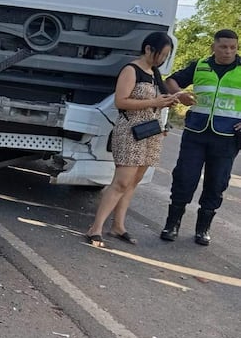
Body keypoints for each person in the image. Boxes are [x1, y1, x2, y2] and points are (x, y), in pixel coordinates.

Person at [86, 32, 178, 246]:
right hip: (131, 130)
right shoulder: (131, 70)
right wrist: (153, 101)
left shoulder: (155, 73)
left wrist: (171, 100)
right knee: (121, 181)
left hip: (151, 132)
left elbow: (157, 101)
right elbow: (121, 101)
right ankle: (96, 227)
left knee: (133, 182)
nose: (162, 59)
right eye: (161, 54)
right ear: (148, 49)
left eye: (166, 56)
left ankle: (118, 225)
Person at [160, 29, 241, 246]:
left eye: (233, 47)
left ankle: (203, 229)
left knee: (217, 183)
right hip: (196, 133)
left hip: (227, 137)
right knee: (184, 178)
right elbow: (171, 81)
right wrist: (180, 94)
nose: (228, 51)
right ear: (213, 46)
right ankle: (172, 224)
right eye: (223, 47)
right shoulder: (200, 65)